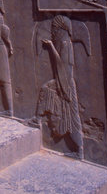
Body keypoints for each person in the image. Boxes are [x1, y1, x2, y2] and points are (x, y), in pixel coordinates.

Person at [33, 15, 83, 159]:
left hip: (65, 83)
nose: (53, 31)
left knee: (73, 118)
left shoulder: (66, 44)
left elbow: (63, 65)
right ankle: (38, 117)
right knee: (47, 89)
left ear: (61, 29)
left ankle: (79, 151)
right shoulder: (64, 43)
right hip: (62, 81)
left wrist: (51, 46)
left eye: (55, 28)